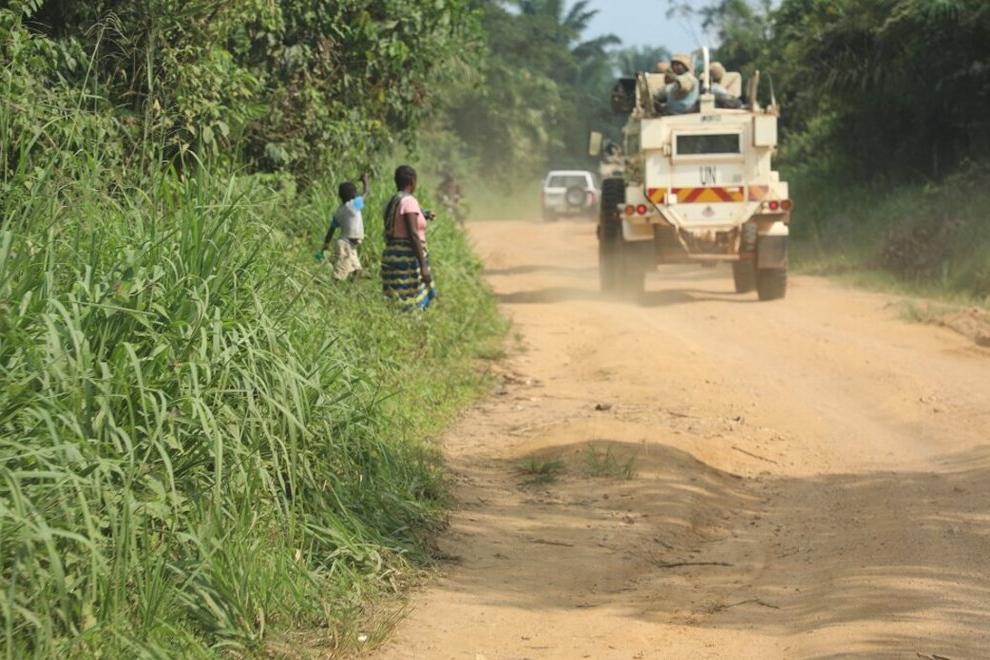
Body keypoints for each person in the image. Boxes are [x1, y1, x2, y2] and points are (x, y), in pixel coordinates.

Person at [382, 165, 437, 311]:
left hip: (392, 256)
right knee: (411, 301)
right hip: (407, 259)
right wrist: (423, 266)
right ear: (412, 181)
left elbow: (401, 219)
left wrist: (424, 214)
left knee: (396, 301)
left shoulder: (393, 201)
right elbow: (413, 234)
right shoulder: (409, 201)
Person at [320, 173, 369, 281]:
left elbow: (331, 230)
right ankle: (332, 286)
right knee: (340, 271)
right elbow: (366, 192)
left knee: (357, 270)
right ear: (354, 194)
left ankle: (350, 288)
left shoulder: (339, 211)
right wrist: (365, 180)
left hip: (349, 245)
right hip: (346, 245)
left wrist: (325, 246)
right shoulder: (354, 204)